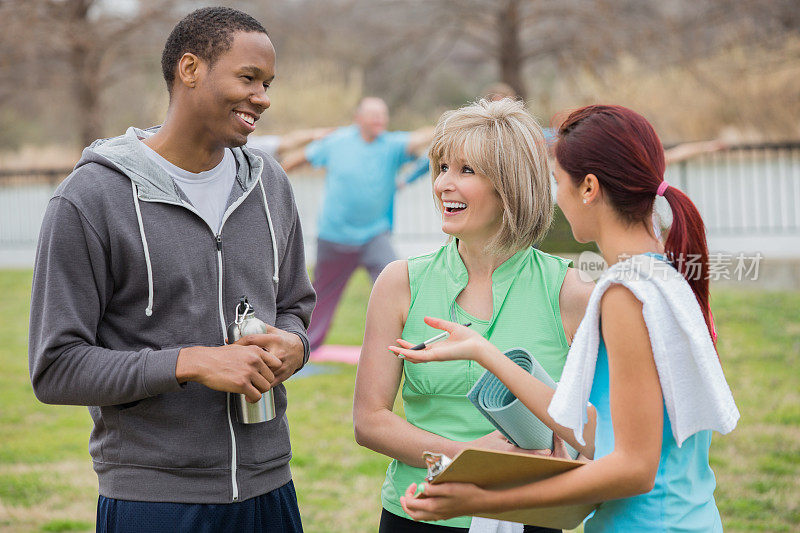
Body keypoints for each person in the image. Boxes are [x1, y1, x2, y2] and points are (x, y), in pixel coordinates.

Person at [28, 7, 315, 532]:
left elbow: (296, 306)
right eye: (248, 78)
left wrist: (296, 344)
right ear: (190, 69)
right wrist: (188, 363)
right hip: (154, 501)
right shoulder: (90, 199)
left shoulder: (270, 185)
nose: (263, 98)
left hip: (270, 490)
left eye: (268, 83)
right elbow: (56, 368)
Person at [391, 105, 740, 532]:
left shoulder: (625, 294)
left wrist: (485, 498)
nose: (554, 196)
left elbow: (634, 467)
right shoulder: (660, 276)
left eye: (558, 182)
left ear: (588, 187)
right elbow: (596, 431)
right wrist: (485, 353)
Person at [353, 98, 594, 532]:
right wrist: (465, 457)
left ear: (510, 185)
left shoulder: (571, 292)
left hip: (530, 515)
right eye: (442, 167)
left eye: (466, 171)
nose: (444, 183)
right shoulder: (399, 282)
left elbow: (598, 430)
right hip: (419, 513)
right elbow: (370, 422)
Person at [282, 97, 434, 352]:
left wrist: (452, 124)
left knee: (398, 285)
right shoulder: (338, 142)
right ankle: (304, 348)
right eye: (373, 115)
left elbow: (422, 137)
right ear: (358, 118)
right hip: (334, 236)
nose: (379, 121)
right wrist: (275, 172)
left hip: (375, 236)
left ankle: (409, 344)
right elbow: (303, 158)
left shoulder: (392, 145)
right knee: (320, 297)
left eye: (383, 116)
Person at [247, 126, 334, 162]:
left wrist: (314, 135)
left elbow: (286, 142)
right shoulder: (246, 147)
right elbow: (286, 143)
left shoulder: (250, 144)